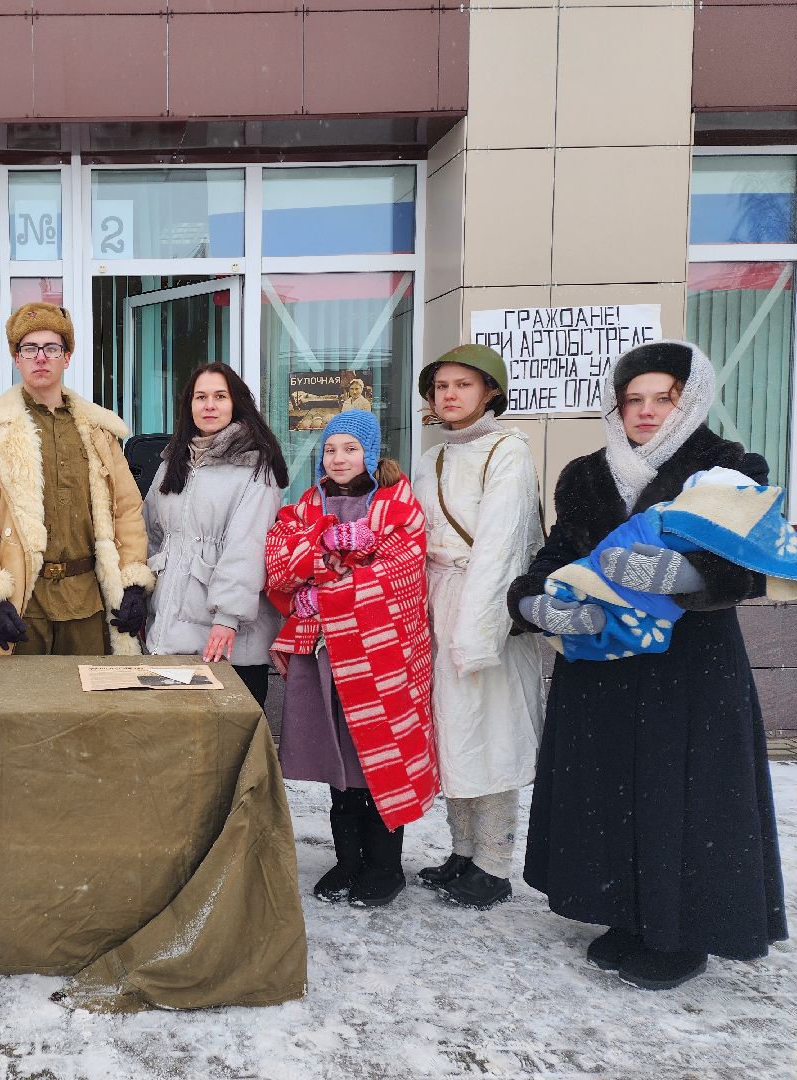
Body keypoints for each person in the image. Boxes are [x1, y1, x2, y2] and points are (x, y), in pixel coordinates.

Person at [508, 339, 787, 991]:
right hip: (600, 660)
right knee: (607, 788)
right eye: (633, 399)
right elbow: (558, 551)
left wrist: (688, 575)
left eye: (664, 398)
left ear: (691, 402)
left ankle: (680, 934)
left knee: (679, 795)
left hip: (688, 666)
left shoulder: (727, 467)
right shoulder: (585, 475)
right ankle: (624, 913)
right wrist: (534, 602)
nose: (646, 411)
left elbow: (753, 565)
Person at [265, 410, 437, 907]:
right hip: (325, 657)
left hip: (381, 656)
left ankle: (385, 866)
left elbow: (398, 575)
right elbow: (278, 561)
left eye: (351, 449)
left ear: (372, 453)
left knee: (378, 757)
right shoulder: (307, 503)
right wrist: (326, 552)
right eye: (331, 449)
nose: (338, 459)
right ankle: (347, 861)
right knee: (340, 761)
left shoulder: (396, 504)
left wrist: (322, 590)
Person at [411, 345, 546, 909]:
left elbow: (500, 545)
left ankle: (493, 864)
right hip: (437, 602)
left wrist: (477, 632)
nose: (449, 395)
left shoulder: (508, 451)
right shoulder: (432, 457)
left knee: (491, 734)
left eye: (463, 385)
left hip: (483, 608)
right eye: (442, 386)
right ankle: (461, 851)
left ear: (490, 391)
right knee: (453, 732)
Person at [0, 302, 153, 656]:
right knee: (14, 693)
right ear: (16, 358)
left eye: (51, 348)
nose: (40, 357)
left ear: (67, 357)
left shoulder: (98, 430)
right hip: (22, 604)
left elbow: (126, 508)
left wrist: (133, 578)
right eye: (29, 348)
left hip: (87, 602)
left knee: (91, 691)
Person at [142, 362, 287, 706]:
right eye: (201, 397)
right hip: (168, 632)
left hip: (227, 639)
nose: (209, 405)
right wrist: (143, 596)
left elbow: (248, 548)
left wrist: (227, 618)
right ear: (189, 405)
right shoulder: (172, 463)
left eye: (220, 396)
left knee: (225, 734)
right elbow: (151, 534)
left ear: (236, 402)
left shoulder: (255, 466)